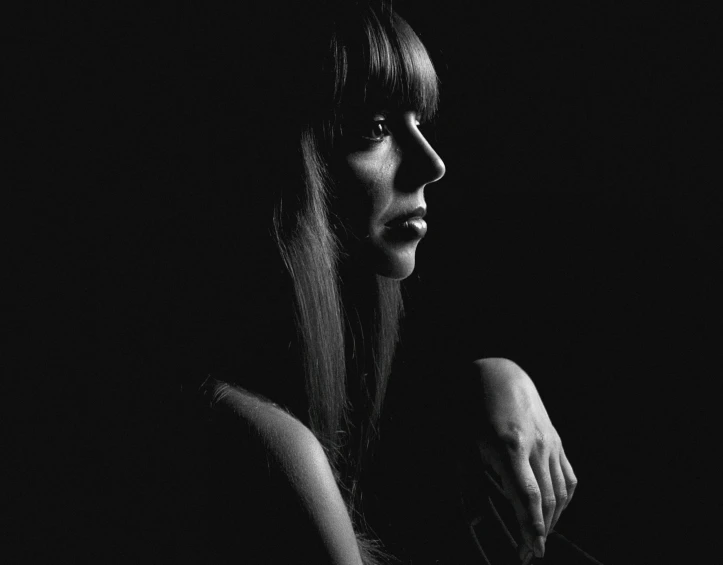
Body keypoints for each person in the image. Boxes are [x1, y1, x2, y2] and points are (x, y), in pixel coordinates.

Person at [105, 1, 590, 563]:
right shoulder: (261, 447)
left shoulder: (322, 390)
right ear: (272, 162)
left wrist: (498, 377)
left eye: (417, 123)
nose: (432, 163)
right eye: (374, 128)